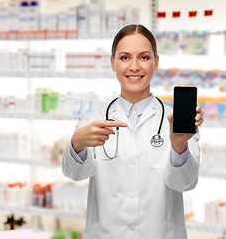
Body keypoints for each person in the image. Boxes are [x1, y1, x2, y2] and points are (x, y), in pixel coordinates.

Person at [62, 24, 204, 239]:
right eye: (125, 57)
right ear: (112, 63)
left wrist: (179, 145)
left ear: (156, 62)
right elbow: (75, 173)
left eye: (144, 57)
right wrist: (77, 144)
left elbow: (185, 183)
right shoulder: (91, 121)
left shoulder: (175, 122)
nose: (134, 66)